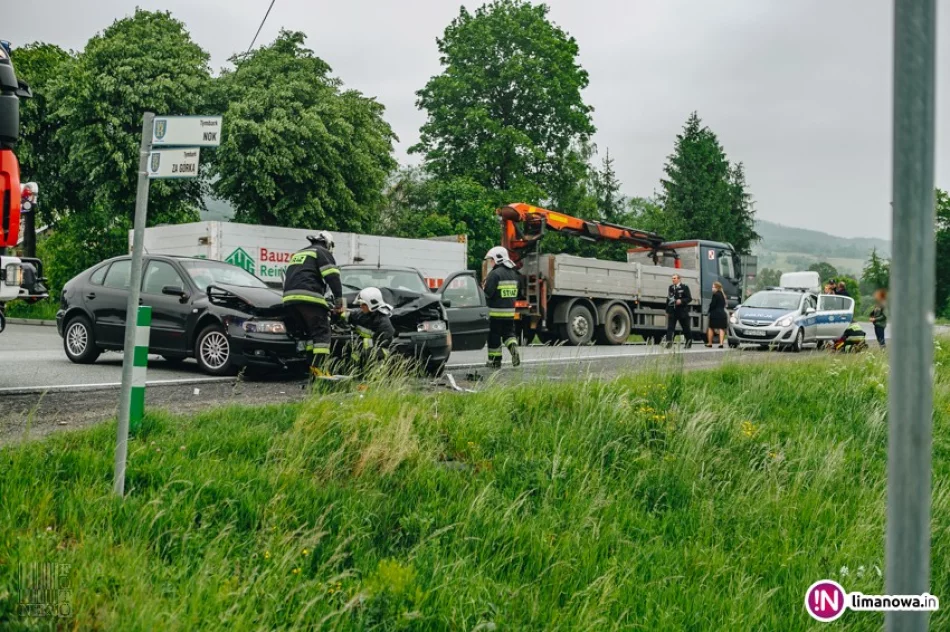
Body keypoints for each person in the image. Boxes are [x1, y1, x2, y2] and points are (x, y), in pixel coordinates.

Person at [282, 231, 343, 377]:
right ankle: (320, 371)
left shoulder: (299, 253)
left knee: (310, 336)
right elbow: (332, 277)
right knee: (322, 334)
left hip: (289, 301)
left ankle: (312, 371)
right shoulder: (322, 252)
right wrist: (339, 302)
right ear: (328, 243)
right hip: (309, 298)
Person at [482, 246, 522, 368]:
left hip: (495, 314)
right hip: (510, 314)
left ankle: (495, 361)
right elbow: (519, 294)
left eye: (492, 260)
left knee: (494, 337)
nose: (491, 262)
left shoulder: (494, 274)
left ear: (498, 259)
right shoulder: (515, 274)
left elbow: (488, 293)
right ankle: (514, 348)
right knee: (509, 335)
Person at [340, 287, 395, 367]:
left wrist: (360, 343)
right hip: (366, 350)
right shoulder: (363, 314)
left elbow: (381, 343)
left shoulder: (383, 323)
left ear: (372, 304)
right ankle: (354, 370)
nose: (361, 306)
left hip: (380, 355)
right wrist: (338, 313)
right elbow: (350, 315)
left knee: (364, 347)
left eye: (363, 304)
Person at [665, 273, 693, 348]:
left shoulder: (684, 287)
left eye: (674, 278)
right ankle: (669, 343)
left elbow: (689, 298)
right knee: (670, 327)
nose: (673, 280)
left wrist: (681, 301)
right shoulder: (671, 287)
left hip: (682, 311)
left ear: (679, 279)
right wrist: (667, 311)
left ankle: (688, 342)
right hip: (673, 311)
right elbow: (668, 299)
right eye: (672, 278)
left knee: (685, 327)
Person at [706, 281, 728, 348]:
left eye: (713, 287)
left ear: (717, 287)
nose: (712, 288)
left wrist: (708, 311)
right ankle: (721, 343)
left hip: (715, 314)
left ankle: (709, 343)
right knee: (721, 328)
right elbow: (724, 305)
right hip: (722, 314)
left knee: (711, 328)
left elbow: (713, 304)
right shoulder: (723, 295)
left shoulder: (715, 295)